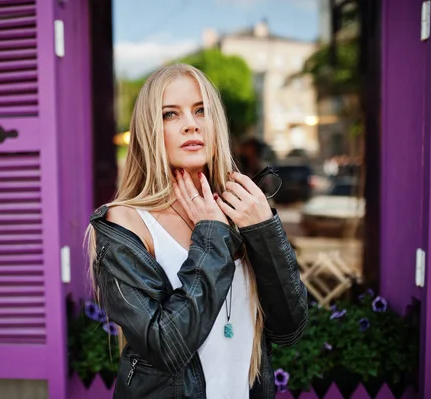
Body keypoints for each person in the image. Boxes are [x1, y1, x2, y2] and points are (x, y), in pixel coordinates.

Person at [86, 64, 307, 399]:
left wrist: (264, 228)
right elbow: (165, 347)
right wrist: (212, 235)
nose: (191, 124)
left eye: (201, 110)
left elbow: (289, 327)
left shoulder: (241, 209)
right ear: (150, 130)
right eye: (171, 114)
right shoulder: (127, 222)